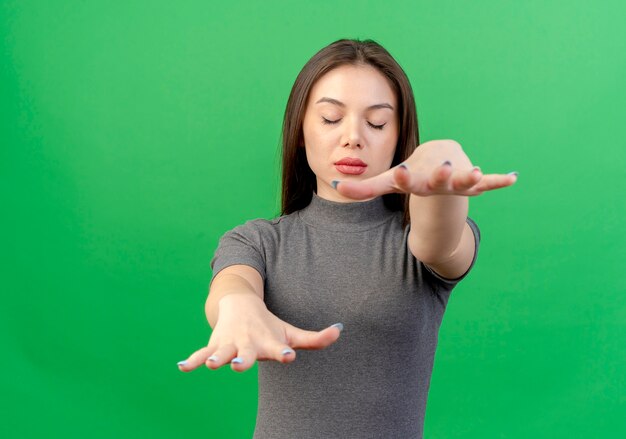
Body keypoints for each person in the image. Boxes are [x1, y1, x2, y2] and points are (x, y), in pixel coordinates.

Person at [177, 38, 517, 438]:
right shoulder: (258, 242)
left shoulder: (417, 246)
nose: (354, 136)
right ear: (300, 131)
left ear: (398, 137)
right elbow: (232, 283)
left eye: (377, 122)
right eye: (330, 118)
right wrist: (237, 306)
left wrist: (445, 158)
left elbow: (438, 240)